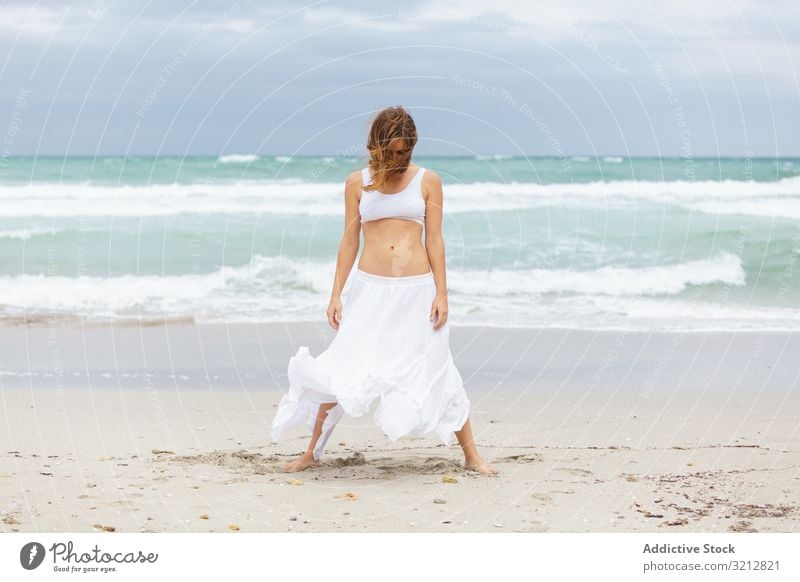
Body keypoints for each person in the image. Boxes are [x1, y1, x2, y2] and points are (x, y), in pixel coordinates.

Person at [271, 106, 497, 476]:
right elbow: (348, 241)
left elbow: (435, 240)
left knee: (437, 366)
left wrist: (442, 293)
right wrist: (335, 294)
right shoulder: (356, 183)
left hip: (416, 291)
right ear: (376, 146)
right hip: (369, 290)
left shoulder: (428, 181)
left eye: (404, 151)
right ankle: (311, 453)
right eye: (392, 150)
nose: (399, 157)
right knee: (343, 364)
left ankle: (472, 456)